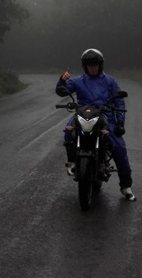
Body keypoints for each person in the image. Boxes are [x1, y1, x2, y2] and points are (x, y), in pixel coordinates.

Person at [55, 47, 136, 201]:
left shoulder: (110, 81)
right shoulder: (77, 81)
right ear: (85, 66)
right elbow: (61, 90)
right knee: (68, 130)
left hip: (104, 117)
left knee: (119, 147)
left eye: (95, 65)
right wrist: (62, 80)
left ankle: (126, 186)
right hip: (82, 114)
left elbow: (119, 101)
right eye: (89, 65)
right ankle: (72, 161)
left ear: (100, 65)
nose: (92, 68)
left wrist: (120, 122)